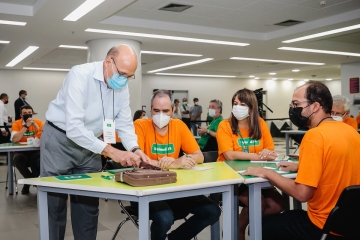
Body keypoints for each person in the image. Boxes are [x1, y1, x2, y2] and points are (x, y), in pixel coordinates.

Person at [40, 45, 150, 240]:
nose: (124, 80)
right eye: (122, 73)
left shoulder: (121, 87)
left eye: (129, 76)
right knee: (54, 206)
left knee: (87, 207)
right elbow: (74, 127)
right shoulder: (80, 74)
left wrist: (135, 148)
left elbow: (124, 123)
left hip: (92, 146)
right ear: (108, 61)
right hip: (60, 140)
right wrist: (113, 152)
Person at [243, 81, 360, 240]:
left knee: (260, 227)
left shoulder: (314, 136)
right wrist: (300, 167)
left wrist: (268, 173)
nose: (292, 109)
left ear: (315, 106)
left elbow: (302, 194)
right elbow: (338, 164)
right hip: (351, 224)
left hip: (322, 225)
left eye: (296, 104)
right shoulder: (351, 132)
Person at [133, 89, 221, 240]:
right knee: (165, 218)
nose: (161, 115)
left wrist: (183, 160)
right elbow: (138, 161)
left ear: (173, 110)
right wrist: (171, 164)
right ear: (150, 109)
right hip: (147, 190)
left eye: (166, 110)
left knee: (212, 211)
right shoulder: (140, 125)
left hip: (175, 188)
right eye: (156, 110)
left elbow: (199, 156)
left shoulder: (179, 126)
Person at [216, 88, 284, 240]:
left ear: (251, 107)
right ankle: (239, 230)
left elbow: (270, 150)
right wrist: (260, 157)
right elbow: (229, 154)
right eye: (235, 103)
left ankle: (245, 224)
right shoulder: (225, 125)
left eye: (242, 104)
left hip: (257, 176)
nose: (237, 107)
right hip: (232, 177)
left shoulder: (259, 123)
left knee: (278, 205)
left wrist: (267, 154)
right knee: (258, 203)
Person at [11, 105, 43, 194]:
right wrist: (25, 126)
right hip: (21, 151)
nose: (28, 115)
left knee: (38, 159)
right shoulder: (16, 123)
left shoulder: (39, 122)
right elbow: (14, 139)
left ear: (32, 113)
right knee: (17, 160)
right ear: (21, 115)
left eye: (29, 113)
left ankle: (28, 183)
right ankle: (31, 181)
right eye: (25, 113)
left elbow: (44, 135)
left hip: (35, 151)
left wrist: (35, 125)